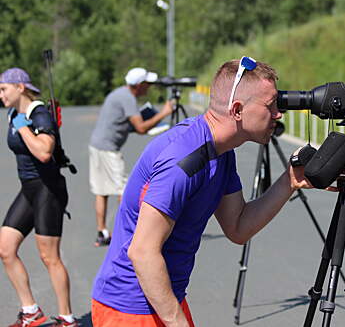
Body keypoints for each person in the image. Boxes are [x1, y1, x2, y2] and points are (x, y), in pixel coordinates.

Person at [90, 57, 318, 326]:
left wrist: (289, 181)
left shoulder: (221, 152)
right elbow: (142, 252)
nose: (278, 114)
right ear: (237, 109)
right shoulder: (184, 160)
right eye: (270, 106)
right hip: (130, 307)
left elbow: (238, 227)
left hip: (164, 298)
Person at [0, 68, 78, 326]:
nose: (0, 95)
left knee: (49, 257)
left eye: (3, 89)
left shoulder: (38, 113)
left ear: (20, 87)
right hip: (29, 189)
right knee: (6, 248)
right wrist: (19, 123)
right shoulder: (14, 114)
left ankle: (67, 318)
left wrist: (23, 128)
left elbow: (45, 152)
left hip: (49, 189)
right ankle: (30, 310)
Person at [89, 67, 174, 247]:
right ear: (139, 85)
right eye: (147, 84)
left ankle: (102, 232)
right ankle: (129, 232)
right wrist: (164, 113)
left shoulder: (120, 93)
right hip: (108, 149)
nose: (149, 87)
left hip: (98, 145)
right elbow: (141, 128)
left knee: (102, 191)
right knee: (125, 190)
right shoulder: (127, 98)